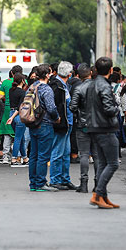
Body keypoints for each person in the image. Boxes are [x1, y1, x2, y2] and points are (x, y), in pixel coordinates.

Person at [83, 57, 121, 208]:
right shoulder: (104, 86)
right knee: (112, 163)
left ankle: (102, 197)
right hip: (105, 128)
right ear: (111, 70)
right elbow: (108, 108)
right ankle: (98, 194)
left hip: (94, 127)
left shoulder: (92, 85)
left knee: (103, 163)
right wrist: (116, 108)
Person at [25, 64, 59, 191]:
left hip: (33, 123)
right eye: (49, 73)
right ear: (46, 75)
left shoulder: (32, 87)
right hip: (45, 124)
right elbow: (51, 107)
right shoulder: (46, 89)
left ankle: (33, 183)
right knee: (43, 155)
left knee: (34, 154)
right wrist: (57, 118)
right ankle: (40, 183)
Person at [69, 63, 100, 193]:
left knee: (84, 154)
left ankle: (83, 183)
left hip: (82, 125)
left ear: (79, 75)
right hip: (98, 125)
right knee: (97, 155)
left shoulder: (78, 88)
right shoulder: (99, 87)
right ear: (90, 73)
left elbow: (72, 106)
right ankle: (98, 184)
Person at [48, 61, 76, 190]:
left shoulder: (63, 85)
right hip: (61, 124)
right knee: (58, 152)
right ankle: (55, 179)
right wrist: (57, 118)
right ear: (69, 74)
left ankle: (65, 178)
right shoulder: (57, 86)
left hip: (67, 123)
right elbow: (53, 105)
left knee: (65, 153)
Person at [0, 66, 21, 164]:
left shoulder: (5, 83)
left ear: (11, 73)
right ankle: (18, 156)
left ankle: (5, 156)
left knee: (7, 133)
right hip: (20, 110)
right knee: (19, 135)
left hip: (7, 109)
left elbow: (0, 96)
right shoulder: (24, 82)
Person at [6, 73, 29, 167]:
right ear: (23, 81)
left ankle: (25, 158)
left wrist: (11, 117)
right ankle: (14, 158)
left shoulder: (11, 90)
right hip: (19, 115)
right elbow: (20, 107)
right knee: (18, 138)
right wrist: (13, 117)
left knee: (21, 138)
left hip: (11, 113)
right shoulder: (22, 92)